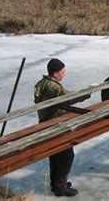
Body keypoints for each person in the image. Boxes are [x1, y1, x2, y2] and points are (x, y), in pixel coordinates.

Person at [34, 58, 90, 197]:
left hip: (47, 123)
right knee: (66, 156)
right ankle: (60, 186)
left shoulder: (42, 83)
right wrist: (85, 94)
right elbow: (67, 98)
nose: (64, 74)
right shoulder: (53, 87)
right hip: (56, 124)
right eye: (62, 72)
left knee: (55, 155)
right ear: (55, 73)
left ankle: (56, 184)